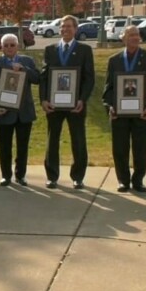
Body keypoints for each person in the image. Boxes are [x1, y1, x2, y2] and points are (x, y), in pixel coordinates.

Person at [102, 25, 146, 193]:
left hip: (142, 113)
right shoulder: (114, 60)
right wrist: (110, 107)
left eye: (136, 35)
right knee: (120, 149)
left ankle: (138, 180)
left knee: (140, 149)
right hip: (119, 114)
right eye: (130, 35)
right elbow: (108, 89)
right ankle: (123, 181)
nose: (134, 38)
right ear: (123, 38)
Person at [39, 14, 95, 189]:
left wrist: (82, 100)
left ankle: (78, 177)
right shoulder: (50, 49)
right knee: (52, 140)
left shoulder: (85, 50)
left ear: (75, 29)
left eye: (69, 26)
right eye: (63, 26)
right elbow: (44, 77)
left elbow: (89, 78)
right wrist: (43, 100)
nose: (65, 29)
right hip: (54, 105)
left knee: (78, 140)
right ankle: (52, 176)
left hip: (75, 105)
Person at [0, 33, 39, 186]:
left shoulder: (27, 61)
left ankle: (21, 175)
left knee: (22, 147)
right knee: (5, 147)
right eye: (6, 45)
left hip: (24, 113)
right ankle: (6, 176)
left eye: (12, 45)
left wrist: (24, 70)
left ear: (18, 46)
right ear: (1, 47)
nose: (9, 48)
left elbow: (37, 79)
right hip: (4, 114)